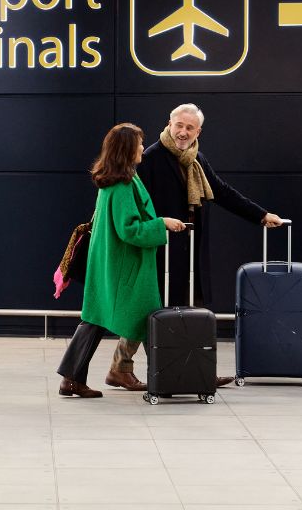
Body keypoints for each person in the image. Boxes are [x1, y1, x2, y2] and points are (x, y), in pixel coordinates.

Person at [111, 102, 284, 388]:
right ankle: (138, 368)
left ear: (198, 131)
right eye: (179, 125)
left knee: (189, 310)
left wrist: (261, 215)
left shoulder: (196, 160)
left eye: (189, 127)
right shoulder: (152, 158)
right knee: (153, 311)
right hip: (161, 247)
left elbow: (222, 192)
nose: (182, 132)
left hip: (189, 247)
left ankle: (193, 370)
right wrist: (154, 228)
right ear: (169, 123)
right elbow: (135, 204)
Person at [57, 122, 187, 398]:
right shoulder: (124, 184)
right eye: (139, 143)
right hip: (126, 267)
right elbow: (129, 229)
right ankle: (168, 376)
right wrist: (161, 223)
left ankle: (75, 379)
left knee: (95, 318)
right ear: (127, 149)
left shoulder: (111, 182)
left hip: (111, 264)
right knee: (142, 316)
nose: (142, 147)